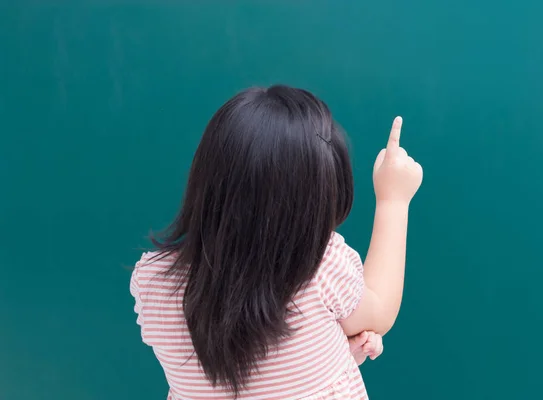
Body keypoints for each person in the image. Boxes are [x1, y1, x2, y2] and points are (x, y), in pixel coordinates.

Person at [130, 85, 422, 399]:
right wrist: (393, 199)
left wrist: (331, 354)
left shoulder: (153, 284)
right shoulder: (322, 272)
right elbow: (379, 311)